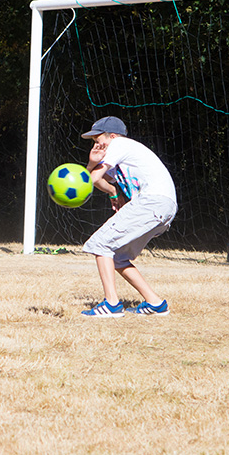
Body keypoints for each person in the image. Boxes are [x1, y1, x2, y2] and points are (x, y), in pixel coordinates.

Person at [79, 116, 175, 317]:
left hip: (152, 202)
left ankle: (112, 304)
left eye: (99, 140)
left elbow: (90, 180)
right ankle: (156, 303)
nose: (97, 145)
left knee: (101, 244)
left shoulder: (119, 144)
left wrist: (90, 164)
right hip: (163, 206)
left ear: (112, 136)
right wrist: (113, 193)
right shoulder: (122, 153)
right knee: (119, 258)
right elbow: (100, 182)